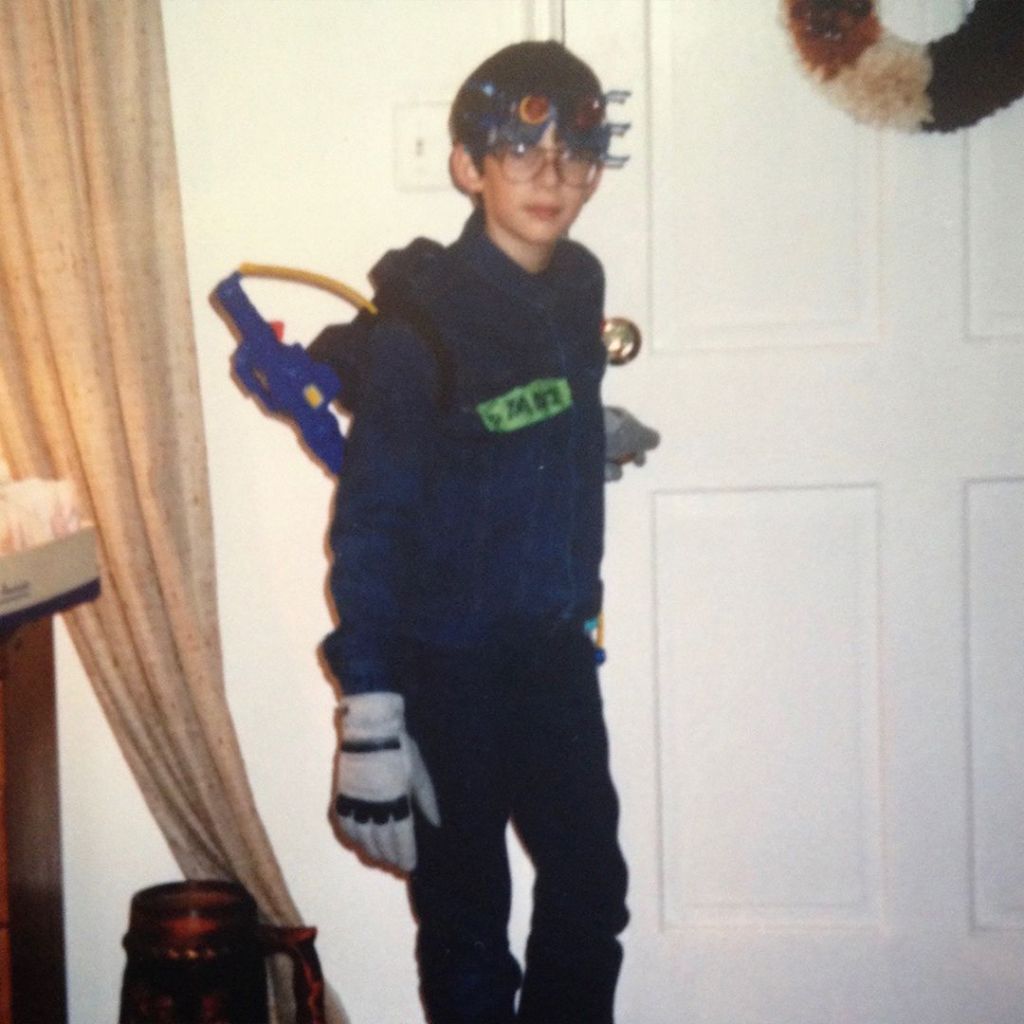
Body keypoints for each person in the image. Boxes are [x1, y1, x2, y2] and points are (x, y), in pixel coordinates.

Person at [321, 40, 632, 1024]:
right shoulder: (422, 323)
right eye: (520, 147)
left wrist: (585, 435)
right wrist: (368, 712)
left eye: (576, 152)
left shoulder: (576, 283)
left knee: (589, 889)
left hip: (551, 655)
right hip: (445, 667)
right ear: (468, 165)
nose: (552, 174)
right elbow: (371, 517)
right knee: (465, 921)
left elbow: (527, 409)